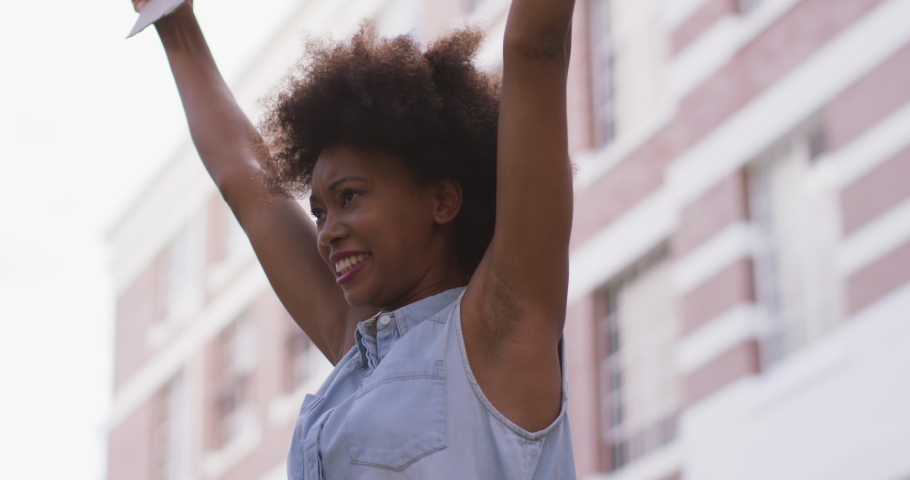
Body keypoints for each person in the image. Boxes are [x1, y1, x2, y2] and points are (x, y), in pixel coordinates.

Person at [134, 0, 577, 477]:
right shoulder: (358, 348)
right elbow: (244, 178)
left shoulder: (502, 327)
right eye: (319, 212)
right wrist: (173, 19)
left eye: (350, 197)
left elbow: (536, 48)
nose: (326, 234)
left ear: (443, 201)